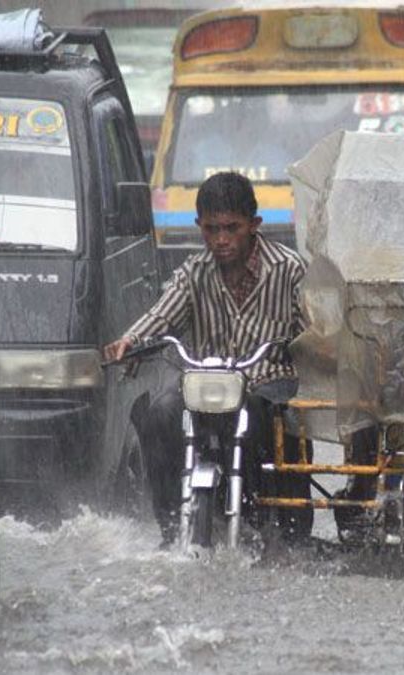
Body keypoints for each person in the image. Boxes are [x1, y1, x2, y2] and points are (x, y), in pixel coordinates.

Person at [103, 171, 312, 546]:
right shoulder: (193, 273)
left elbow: (314, 331)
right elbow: (162, 314)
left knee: (275, 422)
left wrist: (311, 348)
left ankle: (273, 521)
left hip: (265, 385)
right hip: (202, 384)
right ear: (199, 226)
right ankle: (170, 527)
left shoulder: (289, 269)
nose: (221, 239)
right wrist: (131, 341)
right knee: (159, 415)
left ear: (254, 225)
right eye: (211, 229)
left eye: (231, 228)